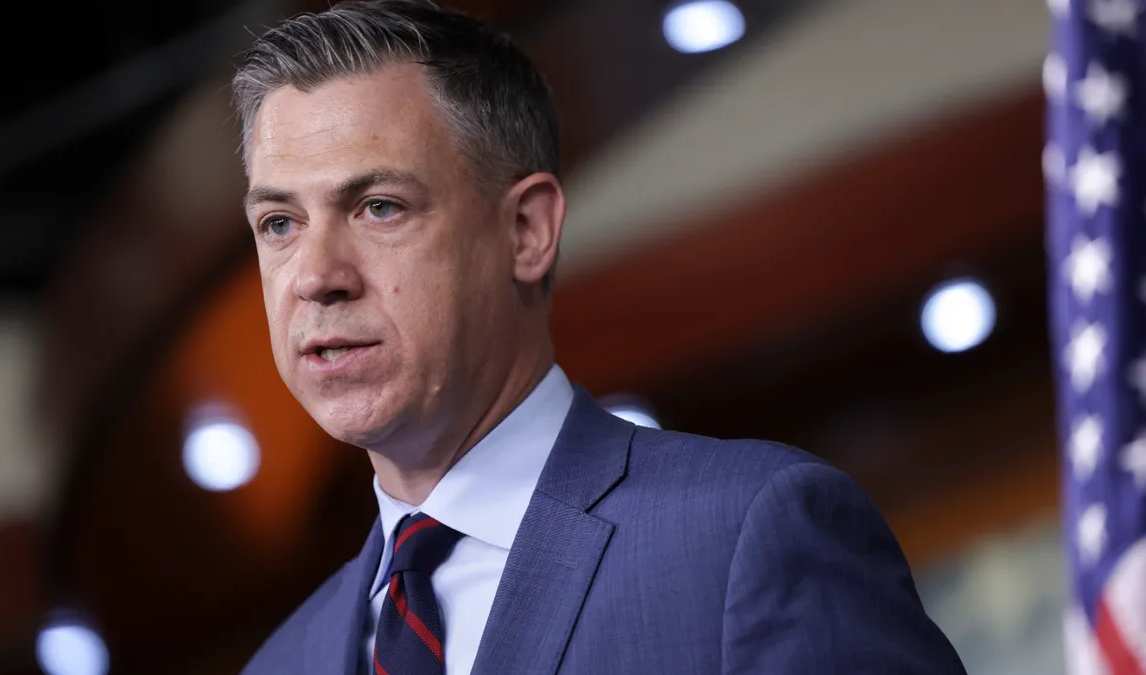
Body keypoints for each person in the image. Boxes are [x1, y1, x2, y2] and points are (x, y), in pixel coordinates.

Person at [232, 1, 967, 673]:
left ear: (526, 230)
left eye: (380, 207)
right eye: (279, 224)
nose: (315, 276)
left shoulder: (748, 535)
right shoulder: (279, 663)